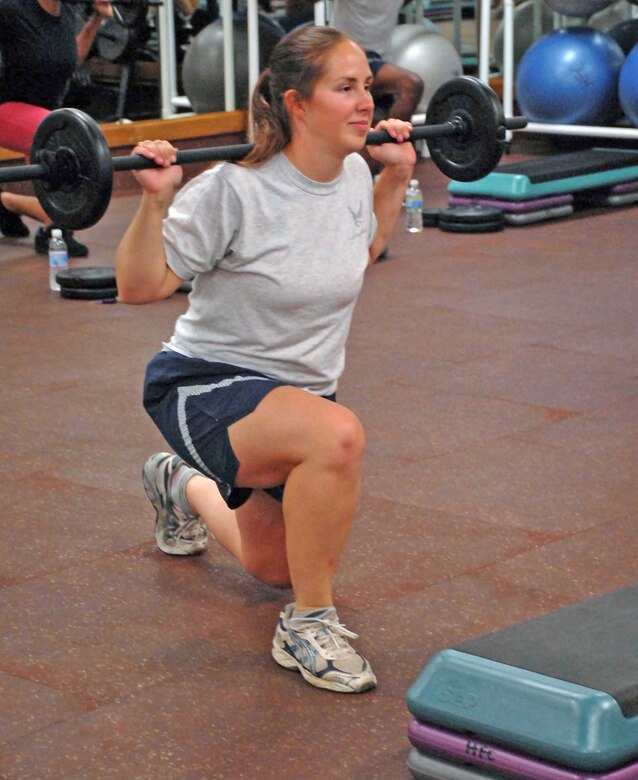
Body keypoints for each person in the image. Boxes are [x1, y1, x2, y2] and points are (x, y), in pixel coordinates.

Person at [115, 24, 416, 693]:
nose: (368, 102)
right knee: (338, 438)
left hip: (295, 397)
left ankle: (177, 483)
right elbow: (139, 288)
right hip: (205, 383)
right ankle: (308, 625)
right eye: (346, 88)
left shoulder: (346, 178)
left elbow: (355, 257)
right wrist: (155, 198)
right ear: (297, 104)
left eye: (367, 86)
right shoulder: (233, 189)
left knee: (272, 565)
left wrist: (393, 181)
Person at [0, 0, 112, 255]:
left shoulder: (68, 11)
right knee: (58, 134)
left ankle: (7, 203)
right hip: (5, 106)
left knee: (54, 145)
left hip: (41, 114)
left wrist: (97, 18)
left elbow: (71, 58)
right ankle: (54, 230)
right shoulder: (10, 9)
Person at [283, 0, 424, 124]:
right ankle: (393, 143)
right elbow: (292, 8)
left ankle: (387, 143)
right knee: (411, 84)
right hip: (345, 59)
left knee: (368, 135)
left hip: (379, 61)